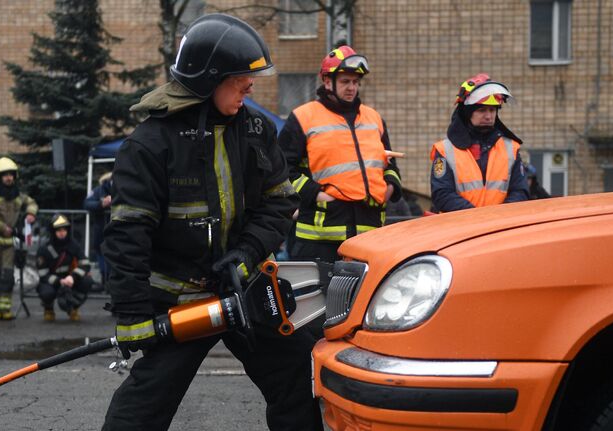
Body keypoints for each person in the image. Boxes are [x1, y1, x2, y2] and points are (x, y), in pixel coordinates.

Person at [101, 14, 320, 431]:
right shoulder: (150, 143)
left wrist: (245, 255)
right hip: (181, 303)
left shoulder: (255, 129)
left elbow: (279, 202)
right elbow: (127, 235)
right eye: (240, 80)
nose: (250, 87)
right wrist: (132, 317)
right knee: (145, 406)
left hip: (246, 291)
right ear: (209, 79)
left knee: (299, 375)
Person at [278, 45, 402, 264]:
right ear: (327, 81)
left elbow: (389, 165)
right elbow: (281, 171)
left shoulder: (374, 119)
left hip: (369, 236)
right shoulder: (303, 117)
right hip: (319, 239)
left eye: (355, 82)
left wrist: (389, 188)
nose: (351, 88)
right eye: (345, 81)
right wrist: (317, 194)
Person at [430, 73, 529, 212]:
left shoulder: (511, 148)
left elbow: (520, 191)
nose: (488, 116)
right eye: (482, 110)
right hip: (460, 228)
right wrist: (476, 218)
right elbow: (442, 194)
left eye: (492, 110)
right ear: (467, 113)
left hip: (500, 227)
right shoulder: (445, 150)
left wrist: (499, 217)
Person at [0, 157, 38, 320]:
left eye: (11, 174)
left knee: (7, 277)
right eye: (5, 175)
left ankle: (5, 309)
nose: (8, 177)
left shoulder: (18, 196)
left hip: (9, 244)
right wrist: (0, 227)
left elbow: (32, 203)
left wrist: (31, 213)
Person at [35, 214, 92, 321]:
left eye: (64, 230)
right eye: (58, 230)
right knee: (46, 292)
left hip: (69, 280)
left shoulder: (73, 245)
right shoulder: (44, 249)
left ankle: (73, 308)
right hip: (52, 281)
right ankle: (48, 309)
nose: (62, 233)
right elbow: (43, 274)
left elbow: (85, 264)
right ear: (53, 231)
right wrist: (59, 281)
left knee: (87, 281)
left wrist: (72, 277)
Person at [83, 171, 112, 286]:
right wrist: (101, 204)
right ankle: (105, 280)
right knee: (101, 254)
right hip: (101, 230)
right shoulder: (99, 190)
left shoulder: (124, 188)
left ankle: (110, 281)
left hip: (119, 231)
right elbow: (86, 203)